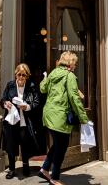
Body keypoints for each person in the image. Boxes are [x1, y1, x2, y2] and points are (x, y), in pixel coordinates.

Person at [38, 51, 88, 185]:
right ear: (70, 63)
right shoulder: (69, 75)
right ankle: (55, 178)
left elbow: (43, 88)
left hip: (49, 115)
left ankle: (44, 169)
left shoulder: (54, 73)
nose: (76, 65)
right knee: (61, 148)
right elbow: (74, 98)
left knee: (57, 145)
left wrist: (44, 78)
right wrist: (83, 118)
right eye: (75, 63)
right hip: (60, 116)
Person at [0, 63, 41, 179]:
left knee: (25, 145)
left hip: (25, 121)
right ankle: (12, 169)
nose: (21, 77)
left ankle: (25, 165)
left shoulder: (31, 86)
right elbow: (3, 99)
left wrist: (27, 107)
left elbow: (37, 102)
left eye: (24, 75)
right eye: (19, 74)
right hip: (12, 121)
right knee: (11, 145)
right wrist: (5, 103)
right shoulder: (10, 85)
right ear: (16, 75)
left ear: (27, 76)